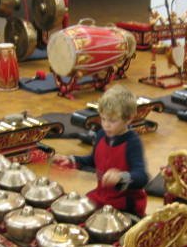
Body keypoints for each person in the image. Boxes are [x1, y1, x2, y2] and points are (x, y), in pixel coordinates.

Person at [53, 84, 149, 216]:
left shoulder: (132, 142)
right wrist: (71, 160)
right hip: (102, 196)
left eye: (112, 121)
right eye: (103, 119)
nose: (106, 125)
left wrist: (121, 177)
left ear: (129, 118)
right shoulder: (101, 135)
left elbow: (142, 177)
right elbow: (93, 160)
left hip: (125, 202)